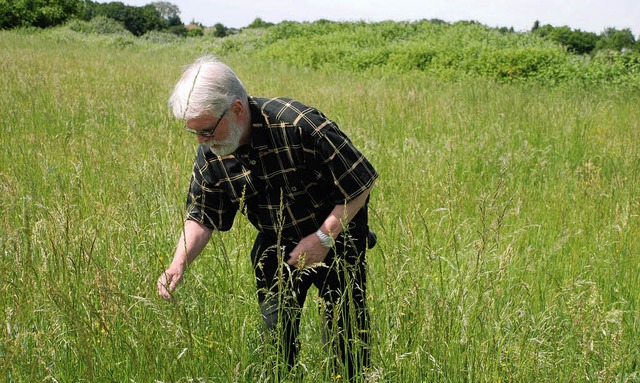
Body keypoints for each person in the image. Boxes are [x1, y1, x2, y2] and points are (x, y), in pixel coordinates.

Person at [157, 55, 378, 380]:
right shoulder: (212, 150)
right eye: (196, 134)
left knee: (347, 341)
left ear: (236, 108)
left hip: (337, 239)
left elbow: (360, 182)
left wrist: (324, 237)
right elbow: (203, 215)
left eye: (206, 131)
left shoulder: (300, 125)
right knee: (276, 346)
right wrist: (178, 264)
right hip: (276, 245)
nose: (203, 142)